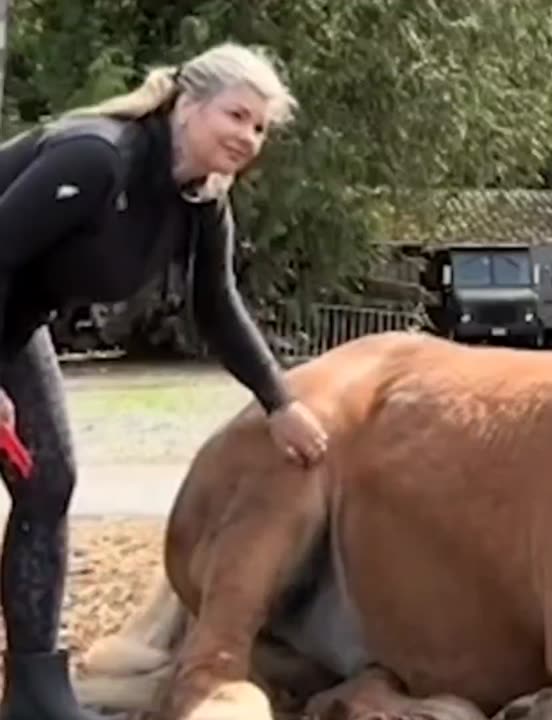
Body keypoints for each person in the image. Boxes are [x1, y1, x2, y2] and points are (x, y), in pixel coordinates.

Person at [0, 42, 330, 718]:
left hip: (13, 324)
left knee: (48, 481)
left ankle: (34, 691)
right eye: (236, 115)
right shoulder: (97, 158)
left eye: (260, 128)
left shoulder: (200, 198)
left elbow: (216, 306)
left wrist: (279, 403)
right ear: (188, 104)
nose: (247, 136)